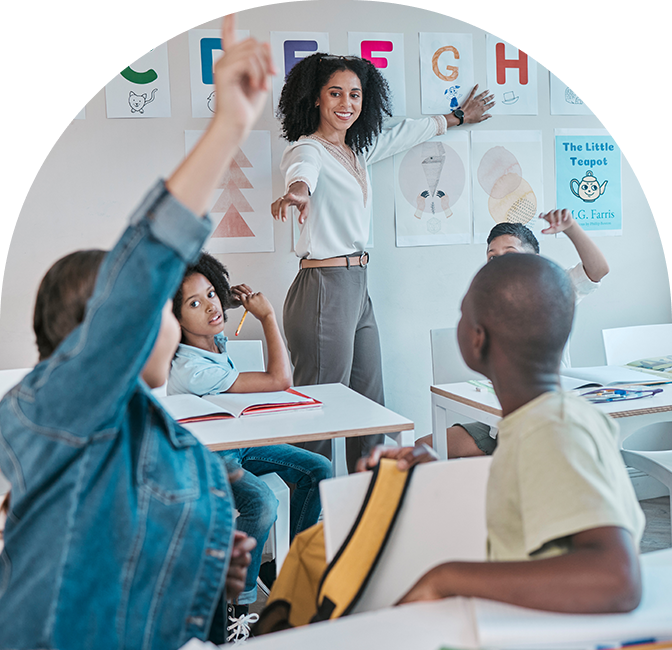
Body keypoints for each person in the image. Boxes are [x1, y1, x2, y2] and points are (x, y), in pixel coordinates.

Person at [0, 3, 274, 647]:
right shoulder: (59, 409)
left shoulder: (166, 443)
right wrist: (230, 125)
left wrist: (215, 578)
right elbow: (144, 268)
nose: (171, 324)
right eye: (157, 309)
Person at [359, 254, 645, 614]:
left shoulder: (550, 429)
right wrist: (438, 472)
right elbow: (525, 499)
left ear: (477, 339)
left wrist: (445, 578)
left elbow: (617, 579)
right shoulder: (542, 418)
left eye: (463, 314)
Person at [271, 52, 494, 471]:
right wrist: (299, 191)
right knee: (319, 412)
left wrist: (458, 117)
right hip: (323, 287)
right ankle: (313, 518)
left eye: (354, 94)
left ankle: (371, 505)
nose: (346, 103)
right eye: (335, 93)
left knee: (370, 406)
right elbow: (301, 171)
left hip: (357, 285)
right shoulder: (308, 150)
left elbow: (405, 134)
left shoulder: (356, 151)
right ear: (316, 99)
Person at [168, 251, 332, 624]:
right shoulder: (191, 367)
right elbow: (279, 380)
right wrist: (268, 316)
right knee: (261, 503)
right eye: (195, 303)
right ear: (176, 317)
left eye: (212, 293)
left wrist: (228, 300)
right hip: (206, 455)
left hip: (234, 443)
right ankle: (235, 606)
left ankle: (290, 573)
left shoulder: (212, 341)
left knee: (317, 469)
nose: (211, 306)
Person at [417, 208, 611, 457]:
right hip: (497, 425)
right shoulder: (488, 299)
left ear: (535, 260)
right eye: (493, 257)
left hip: (541, 423)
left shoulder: (551, 290)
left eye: (511, 255)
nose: (501, 264)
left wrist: (571, 228)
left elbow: (597, 271)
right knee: (421, 449)